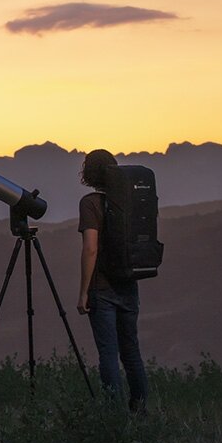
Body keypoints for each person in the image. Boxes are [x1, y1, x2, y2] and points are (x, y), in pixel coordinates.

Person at [76, 149, 148, 413]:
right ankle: (140, 412)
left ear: (88, 174)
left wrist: (83, 291)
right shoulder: (130, 200)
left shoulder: (90, 203)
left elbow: (90, 249)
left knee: (108, 353)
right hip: (129, 285)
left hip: (102, 289)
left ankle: (114, 416)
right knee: (131, 352)